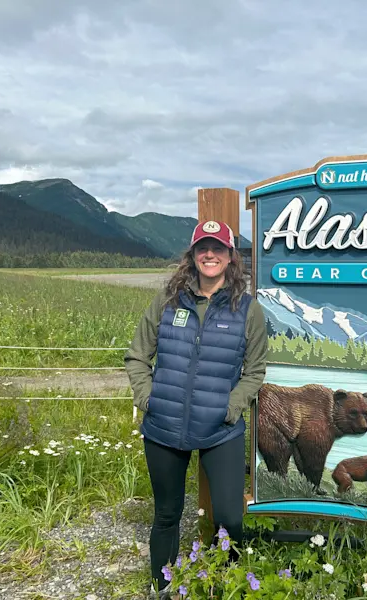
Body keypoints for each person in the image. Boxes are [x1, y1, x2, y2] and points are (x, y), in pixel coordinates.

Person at [124, 219, 267, 596]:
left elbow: (255, 372)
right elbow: (137, 357)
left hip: (221, 429)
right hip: (164, 426)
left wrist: (232, 406)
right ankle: (162, 588)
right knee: (167, 515)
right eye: (203, 248)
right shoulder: (168, 302)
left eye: (218, 248)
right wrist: (148, 398)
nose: (210, 255)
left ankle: (229, 586)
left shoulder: (248, 310)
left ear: (230, 257)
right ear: (192, 255)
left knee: (230, 518)